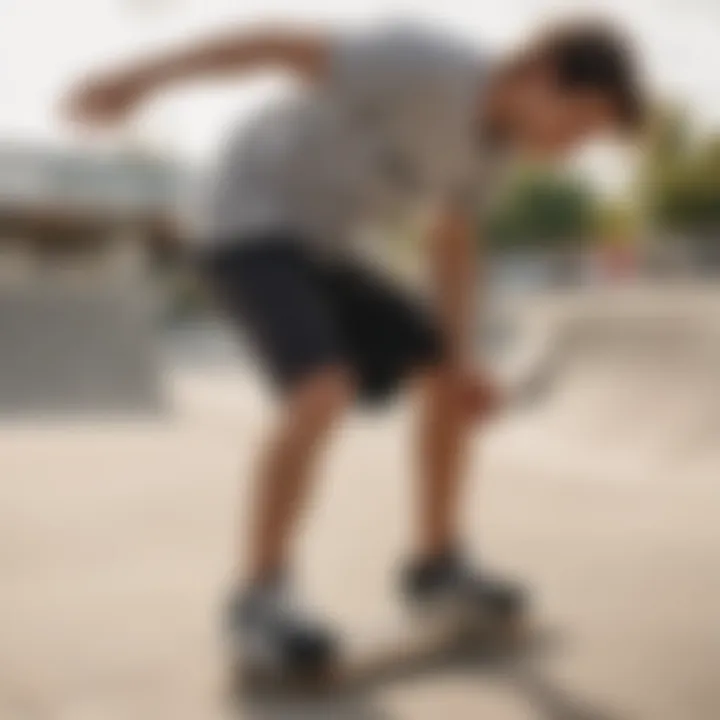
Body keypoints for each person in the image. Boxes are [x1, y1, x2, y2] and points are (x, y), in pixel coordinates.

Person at [65, 17, 646, 678]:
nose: (569, 149)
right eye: (575, 124)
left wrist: (458, 362)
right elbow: (271, 44)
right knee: (321, 390)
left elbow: (452, 241)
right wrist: (142, 79)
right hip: (242, 217)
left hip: (326, 246)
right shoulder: (423, 62)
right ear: (540, 73)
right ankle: (259, 595)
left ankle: (436, 563)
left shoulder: (495, 153)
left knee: (444, 377)